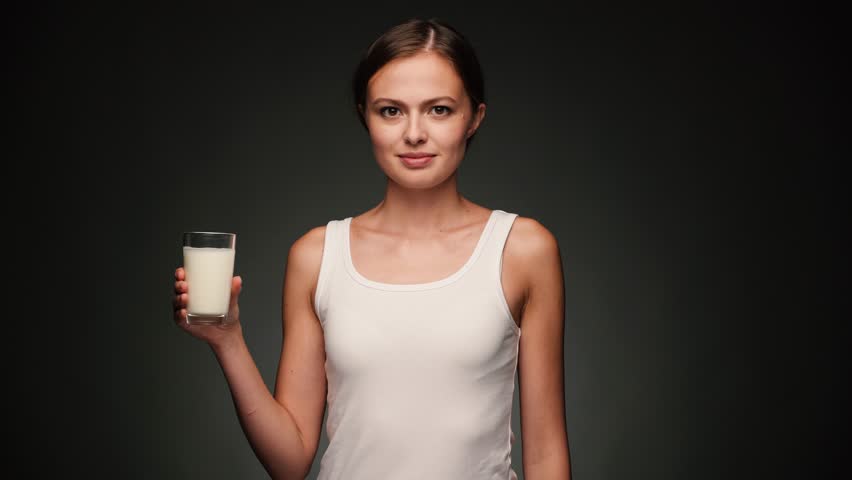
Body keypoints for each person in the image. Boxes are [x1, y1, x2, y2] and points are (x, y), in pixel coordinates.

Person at [172, 17, 570, 479]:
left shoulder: (522, 250)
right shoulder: (317, 255)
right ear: (365, 116)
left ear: (474, 117)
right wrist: (228, 339)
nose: (415, 133)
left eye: (439, 109)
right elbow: (290, 460)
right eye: (391, 111)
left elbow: (546, 457)